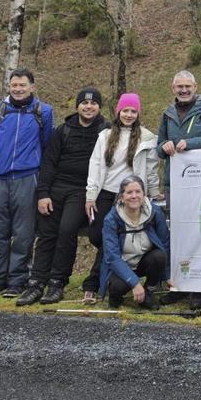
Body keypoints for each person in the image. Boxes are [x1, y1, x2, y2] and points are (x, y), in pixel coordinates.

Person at [19, 88, 108, 307]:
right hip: (57, 187)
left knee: (67, 230)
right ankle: (37, 282)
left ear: (99, 107)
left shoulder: (105, 131)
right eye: (84, 103)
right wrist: (43, 193)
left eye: (93, 104)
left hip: (83, 190)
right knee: (47, 234)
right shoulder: (63, 130)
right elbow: (49, 162)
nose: (89, 107)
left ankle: (57, 282)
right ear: (77, 106)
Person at [78, 93, 160, 305]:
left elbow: (151, 170)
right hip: (107, 192)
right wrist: (90, 195)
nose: (129, 115)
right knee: (99, 236)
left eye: (133, 111)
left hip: (133, 195)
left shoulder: (147, 137)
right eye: (126, 110)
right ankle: (115, 273)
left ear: (138, 113)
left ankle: (92, 284)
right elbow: (95, 166)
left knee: (112, 240)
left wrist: (152, 193)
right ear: (118, 111)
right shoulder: (105, 136)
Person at [0, 68, 54, 297]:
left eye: (22, 85)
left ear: (32, 86)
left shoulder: (43, 112)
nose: (18, 89)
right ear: (9, 87)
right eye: (14, 85)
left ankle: (18, 279)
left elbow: (48, 147)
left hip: (26, 177)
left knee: (23, 233)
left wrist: (43, 184)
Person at [157, 70, 201, 309]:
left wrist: (192, 145)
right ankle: (177, 284)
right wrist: (164, 146)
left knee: (199, 235)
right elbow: (158, 147)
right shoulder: (167, 114)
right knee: (176, 235)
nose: (184, 90)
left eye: (188, 86)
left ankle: (198, 288)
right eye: (179, 87)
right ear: (172, 88)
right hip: (174, 184)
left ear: (195, 87)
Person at [99, 175, 170, 309]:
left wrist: (167, 276)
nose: (134, 196)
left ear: (144, 195)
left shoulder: (155, 213)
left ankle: (147, 292)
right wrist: (135, 283)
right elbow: (112, 257)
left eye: (138, 192)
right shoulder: (111, 219)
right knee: (117, 287)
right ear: (121, 197)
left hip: (145, 261)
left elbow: (164, 243)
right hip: (122, 265)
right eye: (129, 192)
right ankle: (119, 295)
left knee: (160, 256)